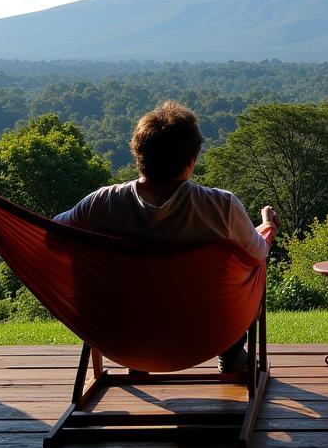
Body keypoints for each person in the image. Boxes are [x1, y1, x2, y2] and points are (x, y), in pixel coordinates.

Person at [54, 100, 279, 373]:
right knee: (252, 269)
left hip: (120, 337)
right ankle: (233, 357)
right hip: (208, 336)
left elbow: (54, 236)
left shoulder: (101, 204)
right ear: (192, 161)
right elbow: (257, 252)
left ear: (138, 155)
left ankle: (142, 358)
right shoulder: (221, 206)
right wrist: (266, 227)